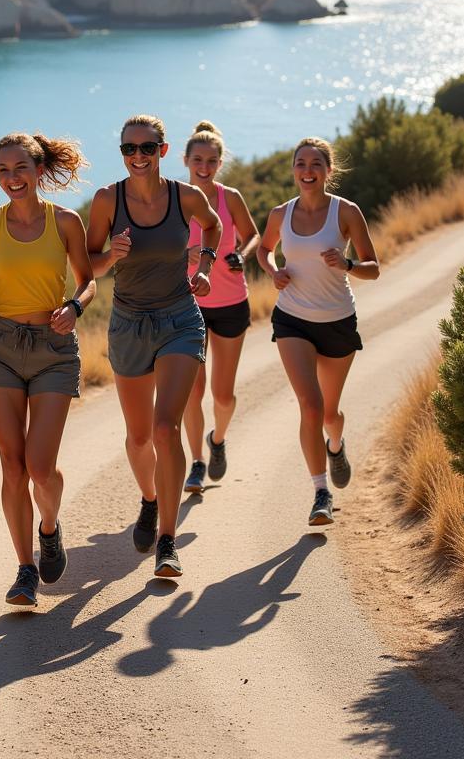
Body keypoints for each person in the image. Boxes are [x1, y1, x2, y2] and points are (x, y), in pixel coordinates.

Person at [86, 114, 221, 578]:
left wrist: (203, 264)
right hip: (128, 324)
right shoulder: (107, 200)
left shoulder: (186, 196)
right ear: (122, 153)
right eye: (129, 149)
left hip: (180, 318)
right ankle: (149, 498)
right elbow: (89, 265)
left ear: (163, 151)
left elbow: (215, 225)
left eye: (147, 148)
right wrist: (111, 255)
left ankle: (167, 539)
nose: (137, 157)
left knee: (167, 429)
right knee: (140, 436)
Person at [0, 132, 96, 608]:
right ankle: (25, 569)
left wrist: (74, 309)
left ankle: (49, 527)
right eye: (4, 170)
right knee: (12, 465)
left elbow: (88, 282)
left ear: (38, 171)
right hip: (0, 345)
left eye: (21, 168)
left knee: (41, 466)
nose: (12, 178)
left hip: (54, 347)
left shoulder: (65, 222)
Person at [256, 136, 379, 526]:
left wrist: (346, 264)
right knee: (309, 405)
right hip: (292, 318)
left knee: (329, 413)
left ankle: (336, 445)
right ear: (293, 170)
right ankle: (320, 492)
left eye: (315, 164)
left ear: (328, 171)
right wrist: (274, 271)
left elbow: (373, 267)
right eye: (300, 164)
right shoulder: (280, 213)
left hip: (338, 321)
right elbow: (263, 248)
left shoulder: (346, 212)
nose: (307, 171)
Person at [181, 121, 260, 494]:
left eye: (212, 160)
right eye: (198, 159)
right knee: (192, 393)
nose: (205, 166)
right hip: (187, 306)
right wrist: (186, 253)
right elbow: (159, 249)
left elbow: (253, 235)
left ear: (220, 162)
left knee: (223, 396)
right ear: (185, 160)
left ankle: (218, 439)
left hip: (230, 302)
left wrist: (240, 255)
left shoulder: (230, 198)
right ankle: (196, 463)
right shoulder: (175, 198)